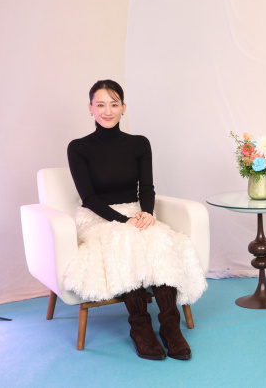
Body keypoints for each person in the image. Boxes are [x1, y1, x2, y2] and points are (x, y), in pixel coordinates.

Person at [65, 79, 207, 361]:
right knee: (126, 238)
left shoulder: (139, 143)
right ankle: (140, 327)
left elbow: (147, 188)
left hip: (135, 211)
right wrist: (123, 220)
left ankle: (170, 326)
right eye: (100, 105)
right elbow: (88, 197)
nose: (107, 111)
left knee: (160, 239)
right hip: (98, 216)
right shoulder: (78, 147)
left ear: (124, 107)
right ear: (90, 108)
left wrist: (147, 213)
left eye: (114, 104)